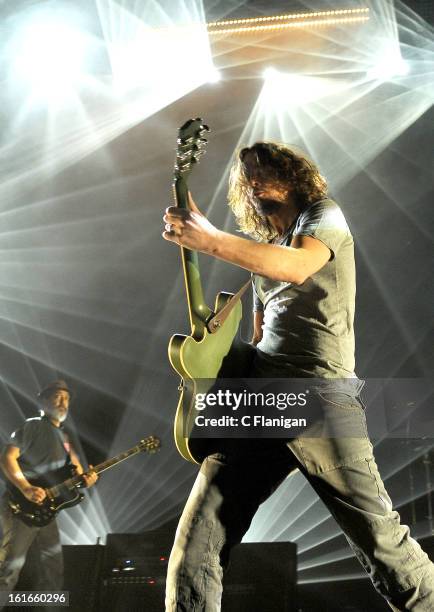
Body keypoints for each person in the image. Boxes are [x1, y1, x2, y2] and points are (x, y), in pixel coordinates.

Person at [162, 142, 434, 611]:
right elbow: (261, 334)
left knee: (382, 544)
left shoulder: (323, 217)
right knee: (195, 546)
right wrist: (214, 352)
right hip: (259, 405)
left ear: (292, 176)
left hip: (318, 396)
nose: (253, 181)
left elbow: (297, 266)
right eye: (245, 176)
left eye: (263, 170)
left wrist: (208, 239)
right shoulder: (266, 250)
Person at [0, 379, 97, 598]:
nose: (63, 402)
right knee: (10, 568)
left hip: (47, 511)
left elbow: (78, 473)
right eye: (57, 397)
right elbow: (7, 458)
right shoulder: (32, 425)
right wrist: (26, 488)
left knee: (53, 571)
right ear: (42, 402)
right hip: (20, 508)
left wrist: (87, 479)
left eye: (67, 399)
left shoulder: (65, 438)